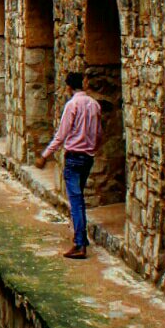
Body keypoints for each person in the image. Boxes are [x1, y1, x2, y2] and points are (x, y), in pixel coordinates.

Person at [36, 71, 102, 259]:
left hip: (73, 158)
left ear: (69, 87)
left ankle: (80, 243)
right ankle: (81, 236)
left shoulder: (72, 105)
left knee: (76, 201)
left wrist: (45, 155)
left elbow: (61, 135)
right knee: (78, 198)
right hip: (88, 158)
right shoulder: (95, 105)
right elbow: (98, 134)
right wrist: (92, 149)